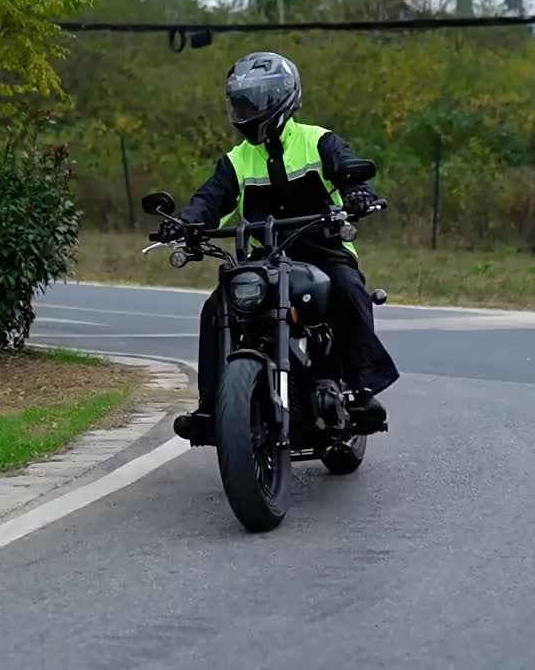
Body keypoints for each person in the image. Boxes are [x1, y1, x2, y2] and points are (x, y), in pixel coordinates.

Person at [157, 51, 399, 446]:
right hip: (266, 258)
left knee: (348, 289)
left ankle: (360, 392)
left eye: (255, 101)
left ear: (281, 100)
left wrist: (357, 193)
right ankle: (210, 408)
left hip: (324, 249)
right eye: (241, 102)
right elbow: (210, 199)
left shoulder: (319, 141)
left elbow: (348, 168)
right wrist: (186, 224)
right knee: (216, 308)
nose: (247, 110)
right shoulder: (236, 160)